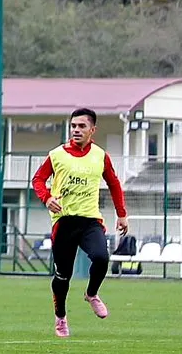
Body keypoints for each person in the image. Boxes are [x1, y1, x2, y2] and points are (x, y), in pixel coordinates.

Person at [29, 106, 128, 338]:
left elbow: (114, 184)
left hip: (90, 221)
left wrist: (122, 214)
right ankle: (61, 317)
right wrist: (47, 198)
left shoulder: (100, 156)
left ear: (92, 130)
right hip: (64, 223)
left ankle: (91, 294)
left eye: (81, 126)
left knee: (102, 258)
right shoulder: (57, 155)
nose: (76, 130)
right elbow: (38, 179)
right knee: (63, 275)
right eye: (73, 126)